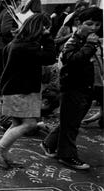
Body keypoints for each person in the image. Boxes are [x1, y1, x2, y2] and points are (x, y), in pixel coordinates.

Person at [0, 14, 56, 169]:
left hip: (14, 89)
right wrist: (48, 37)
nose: (47, 31)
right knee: (30, 124)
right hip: (22, 91)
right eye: (46, 28)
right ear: (40, 28)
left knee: (17, 123)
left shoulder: (14, 44)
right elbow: (50, 57)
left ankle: (2, 152)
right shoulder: (26, 46)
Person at [42, 7, 102, 170]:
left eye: (97, 24)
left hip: (88, 86)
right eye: (89, 24)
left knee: (70, 120)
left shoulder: (93, 40)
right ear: (79, 23)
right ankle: (66, 155)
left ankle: (49, 143)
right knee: (71, 124)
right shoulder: (74, 41)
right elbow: (71, 59)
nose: (94, 28)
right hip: (73, 86)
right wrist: (89, 46)